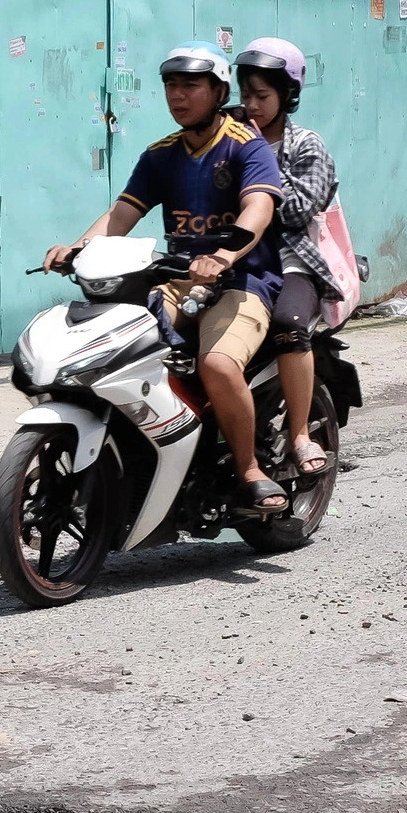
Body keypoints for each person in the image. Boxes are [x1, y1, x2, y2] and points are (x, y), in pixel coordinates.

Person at [42, 42, 287, 515]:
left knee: (216, 365)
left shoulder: (246, 145)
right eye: (171, 85)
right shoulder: (160, 156)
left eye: (191, 85)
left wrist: (223, 253)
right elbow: (120, 216)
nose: (178, 95)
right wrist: (77, 249)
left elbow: (259, 208)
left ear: (219, 91)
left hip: (242, 283)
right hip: (175, 281)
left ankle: (249, 468)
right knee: (116, 350)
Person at [237, 38, 337, 479]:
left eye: (262, 96)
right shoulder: (229, 136)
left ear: (287, 95)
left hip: (290, 260)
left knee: (289, 326)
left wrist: (259, 155)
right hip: (236, 257)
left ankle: (299, 433)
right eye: (245, 96)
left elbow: (298, 210)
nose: (251, 105)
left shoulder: (306, 146)